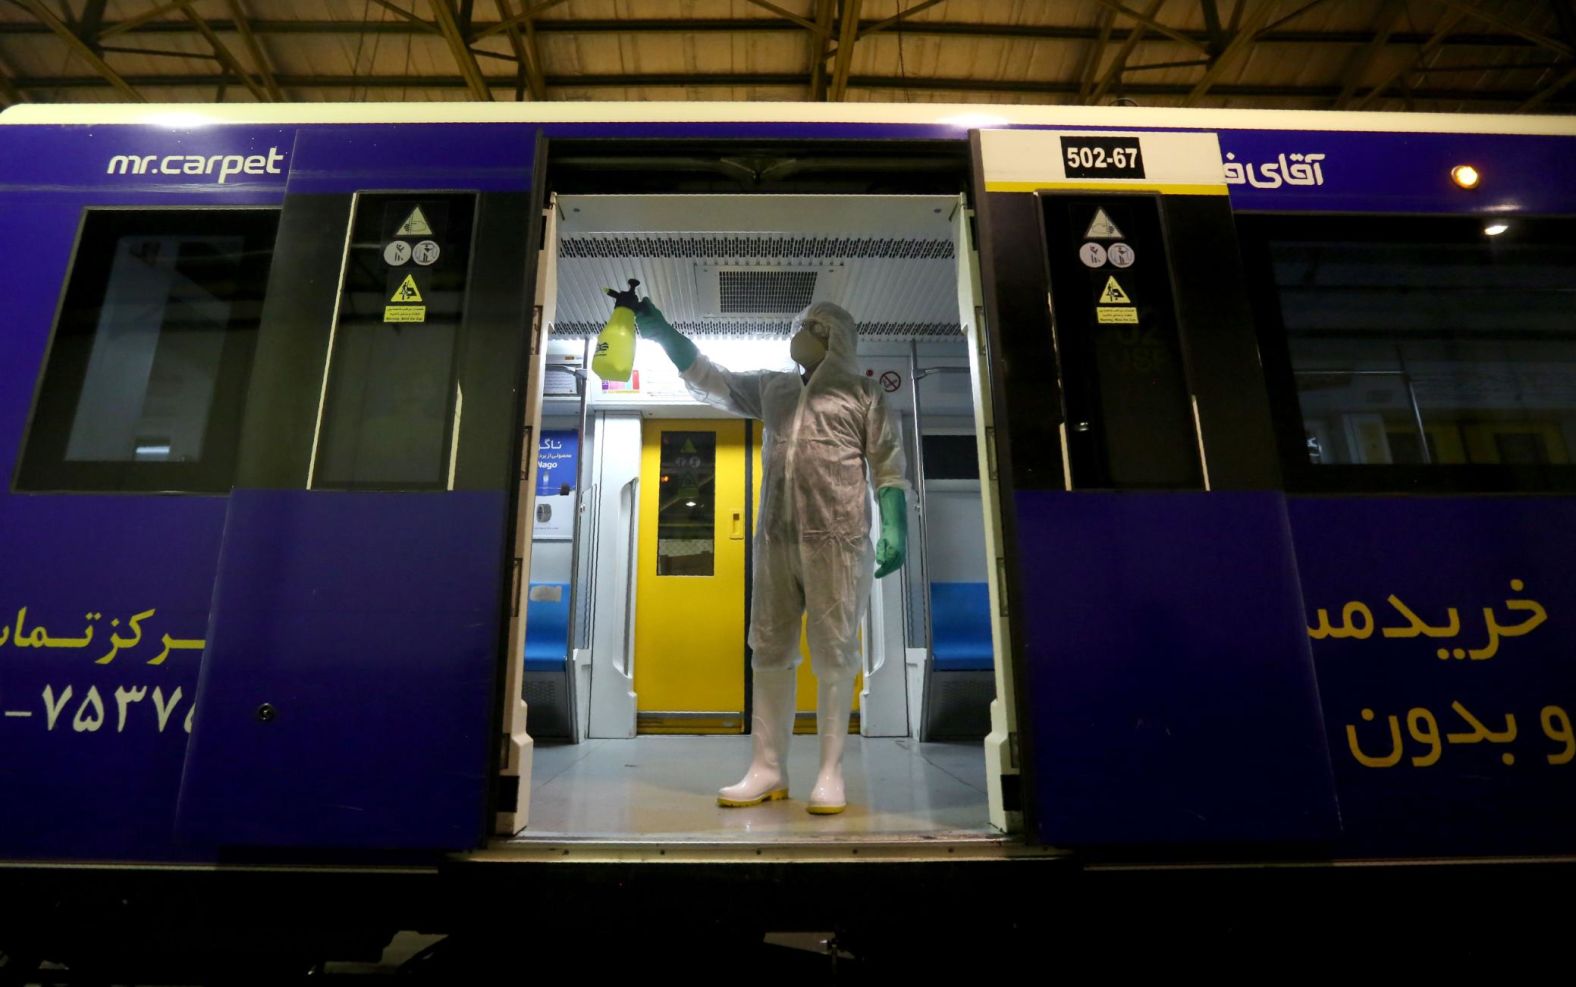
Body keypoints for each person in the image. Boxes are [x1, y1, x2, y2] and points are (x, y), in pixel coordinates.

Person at [635, 298, 909, 815]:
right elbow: (711, 378)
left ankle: (830, 773)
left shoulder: (863, 393)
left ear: (836, 340)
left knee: (835, 652)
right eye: (801, 325)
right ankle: (767, 769)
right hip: (775, 542)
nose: (799, 334)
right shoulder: (776, 388)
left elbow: (889, 466)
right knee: (769, 648)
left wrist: (895, 526)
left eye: (812, 327)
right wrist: (665, 332)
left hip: (839, 541)